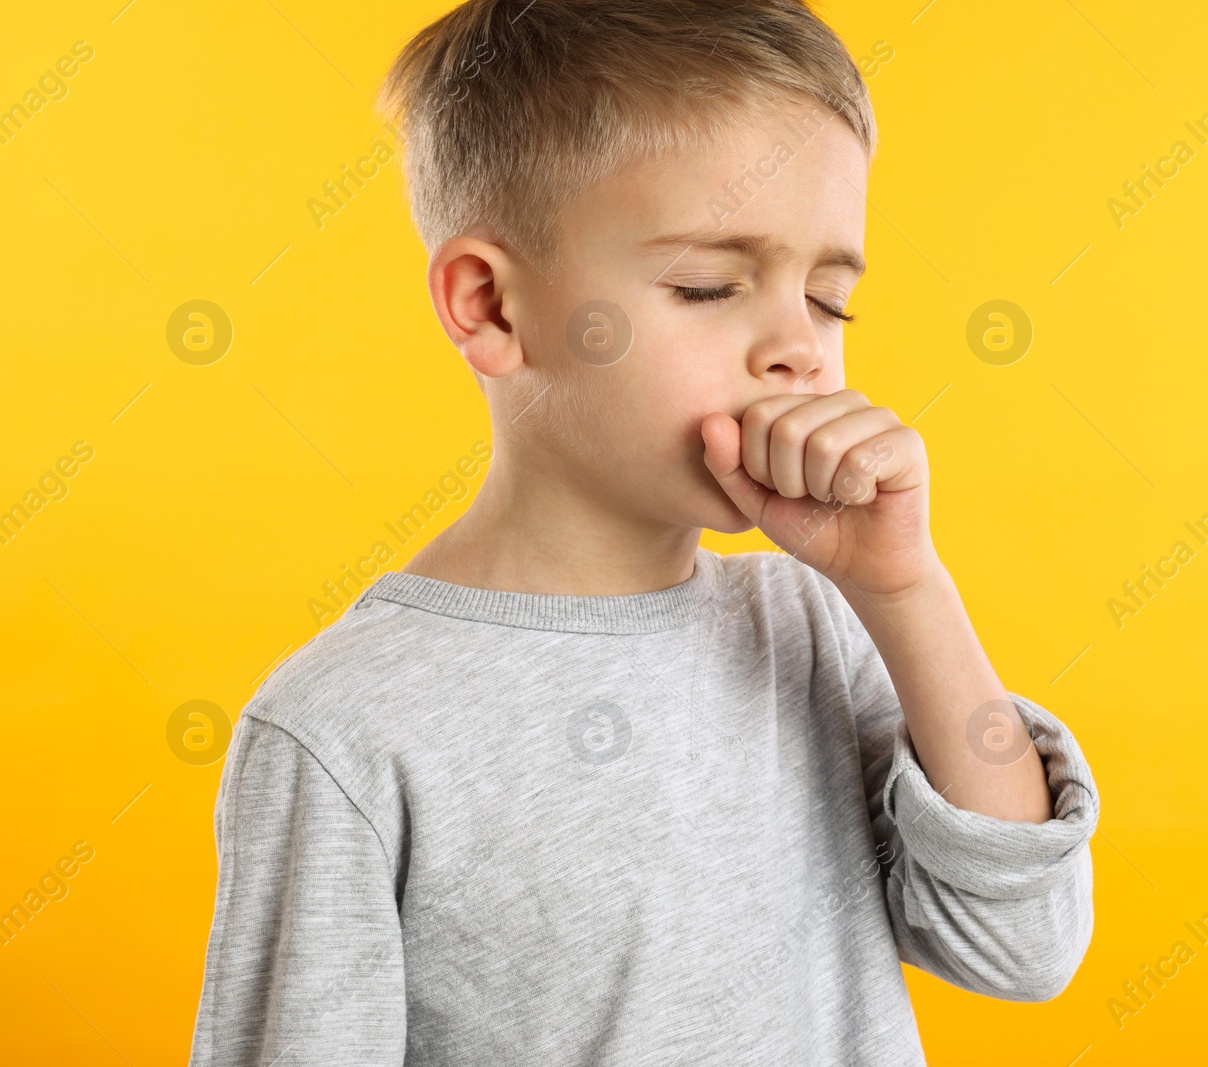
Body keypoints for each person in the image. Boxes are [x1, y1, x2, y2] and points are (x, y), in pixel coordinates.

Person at [187, 2, 1099, 1063]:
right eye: (706, 285)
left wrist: (904, 591)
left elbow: (1022, 945)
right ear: (489, 306)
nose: (799, 349)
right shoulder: (341, 728)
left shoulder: (808, 626)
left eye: (829, 298)